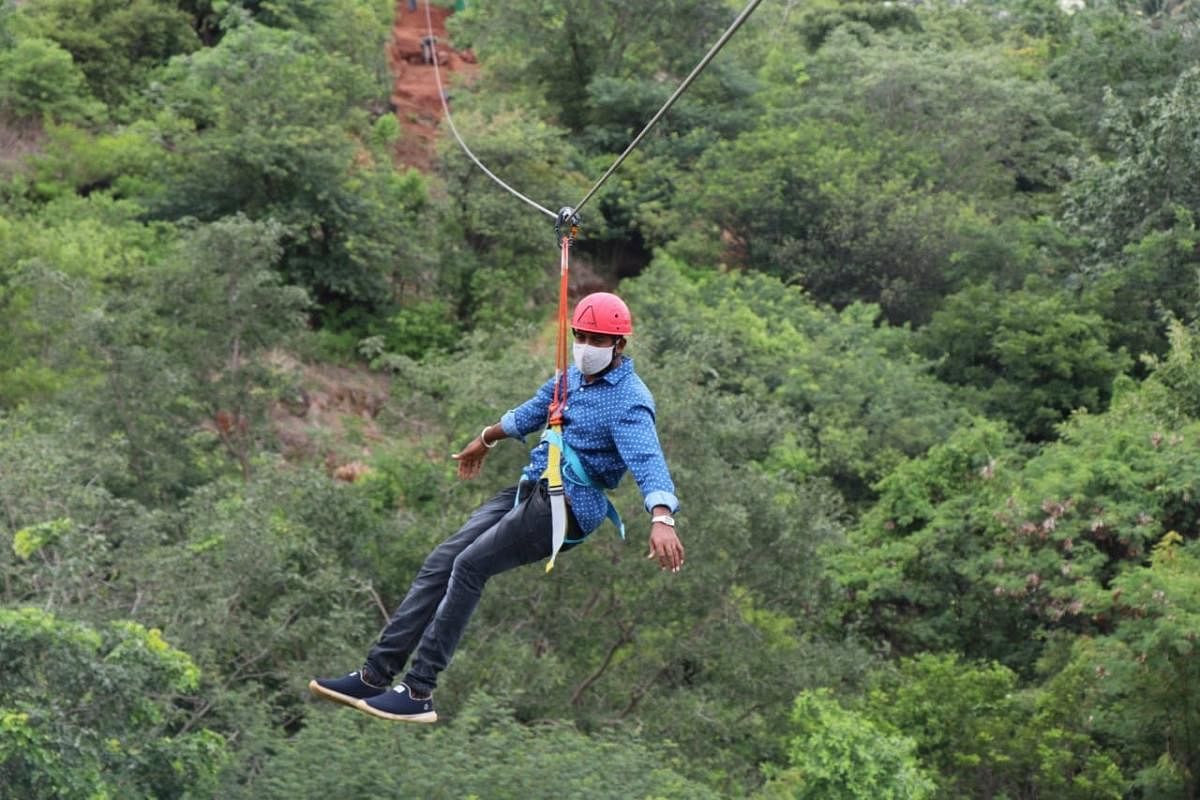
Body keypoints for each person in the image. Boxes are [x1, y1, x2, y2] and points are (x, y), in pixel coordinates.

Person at [309, 292, 683, 723]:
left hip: (569, 505)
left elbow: (648, 459)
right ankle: (375, 674)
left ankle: (418, 691)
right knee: (442, 561)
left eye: (597, 339)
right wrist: (485, 438)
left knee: (469, 565)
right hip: (534, 488)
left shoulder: (630, 400)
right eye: (580, 335)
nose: (585, 346)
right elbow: (529, 413)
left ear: (619, 346)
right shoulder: (570, 378)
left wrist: (661, 517)